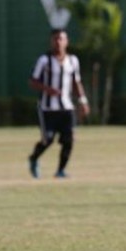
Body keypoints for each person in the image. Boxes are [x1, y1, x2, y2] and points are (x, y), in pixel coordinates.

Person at [28, 28, 90, 179]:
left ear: (66, 41)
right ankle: (34, 158)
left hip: (66, 107)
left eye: (61, 39)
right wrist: (48, 89)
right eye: (55, 39)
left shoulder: (73, 60)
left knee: (69, 140)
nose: (58, 42)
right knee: (47, 139)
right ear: (51, 41)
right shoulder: (44, 60)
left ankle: (60, 171)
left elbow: (76, 82)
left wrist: (83, 101)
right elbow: (33, 81)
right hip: (47, 108)